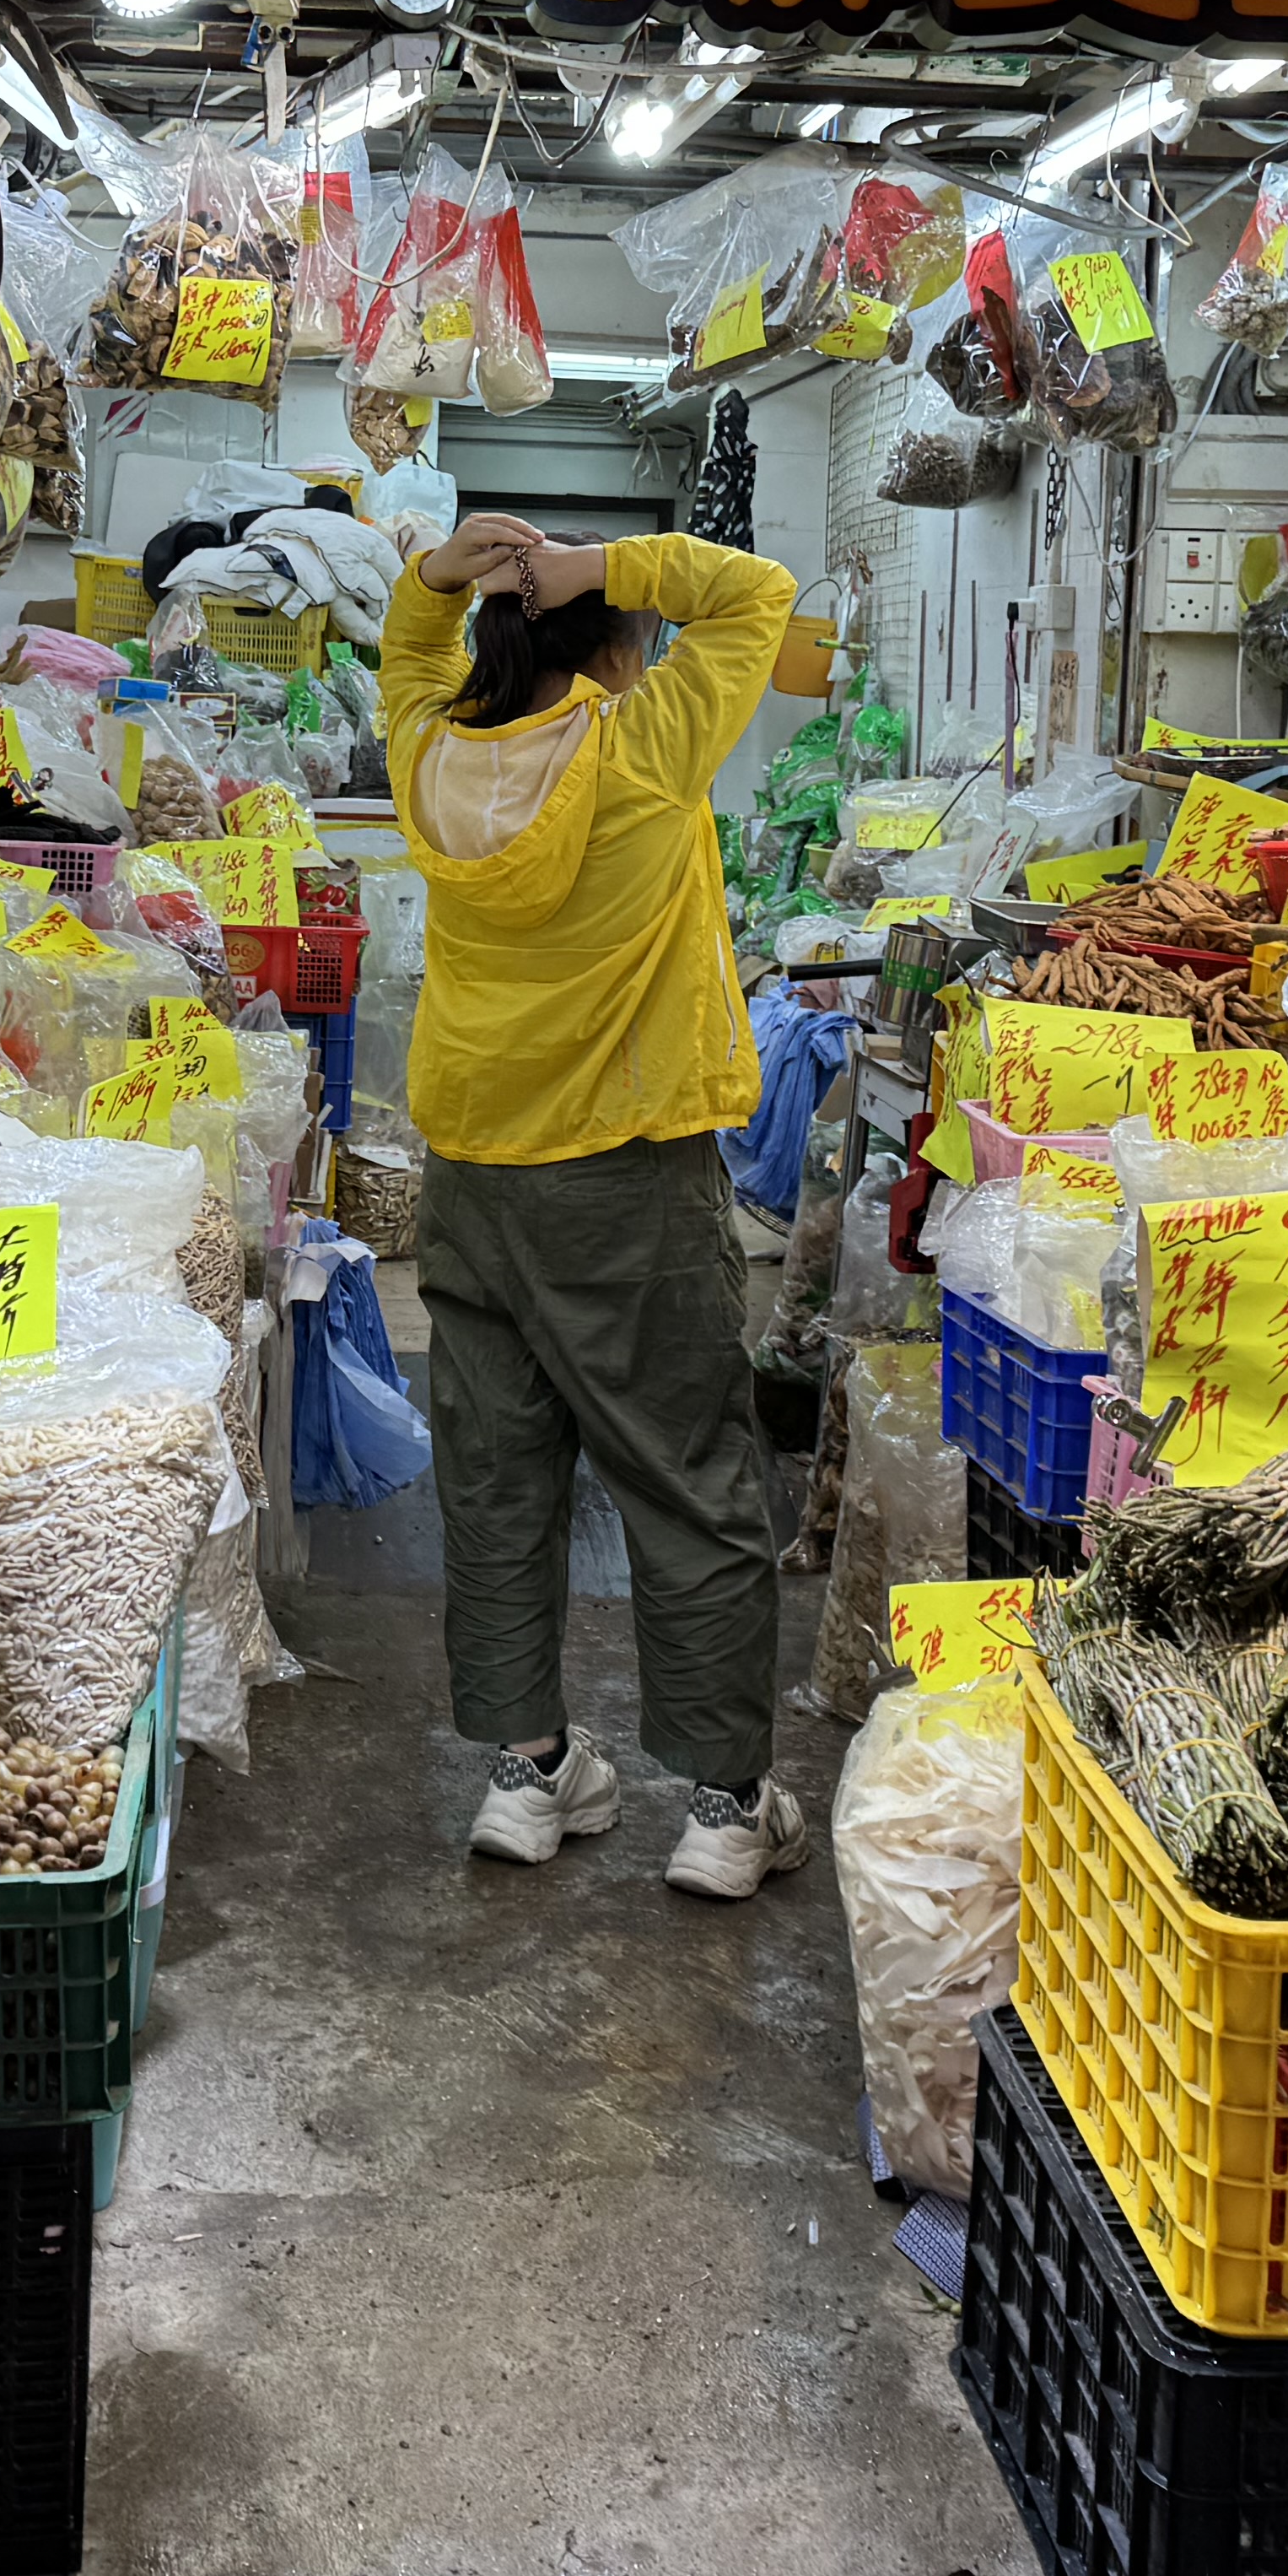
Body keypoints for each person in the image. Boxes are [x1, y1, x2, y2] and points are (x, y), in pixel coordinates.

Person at [378, 510, 809, 1898]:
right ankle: (727, 1808)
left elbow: (408, 650)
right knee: (686, 1476)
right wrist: (603, 563)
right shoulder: (641, 753)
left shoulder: (431, 754)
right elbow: (754, 595)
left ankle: (525, 1774)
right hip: (625, 1171)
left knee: (499, 1476)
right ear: (618, 646)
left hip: (471, 1179)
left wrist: (446, 575)